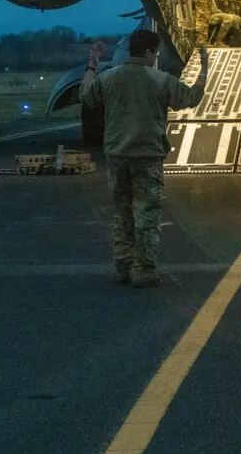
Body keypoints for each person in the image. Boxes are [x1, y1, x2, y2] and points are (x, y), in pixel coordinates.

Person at [80, 31, 208, 288]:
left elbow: (86, 95)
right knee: (147, 214)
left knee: (121, 212)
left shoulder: (109, 77)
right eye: (155, 52)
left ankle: (122, 266)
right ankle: (145, 270)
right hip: (147, 156)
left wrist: (92, 63)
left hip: (116, 155)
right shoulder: (160, 79)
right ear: (149, 52)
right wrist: (204, 69)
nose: (156, 56)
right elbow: (191, 98)